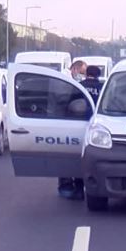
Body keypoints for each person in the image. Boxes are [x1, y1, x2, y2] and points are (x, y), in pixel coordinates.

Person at [57, 61, 92, 199]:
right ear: (75, 69)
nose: (82, 76)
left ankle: (71, 187)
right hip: (67, 121)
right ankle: (67, 186)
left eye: (84, 74)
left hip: (71, 122)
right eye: (82, 72)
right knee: (69, 156)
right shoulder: (65, 80)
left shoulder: (76, 83)